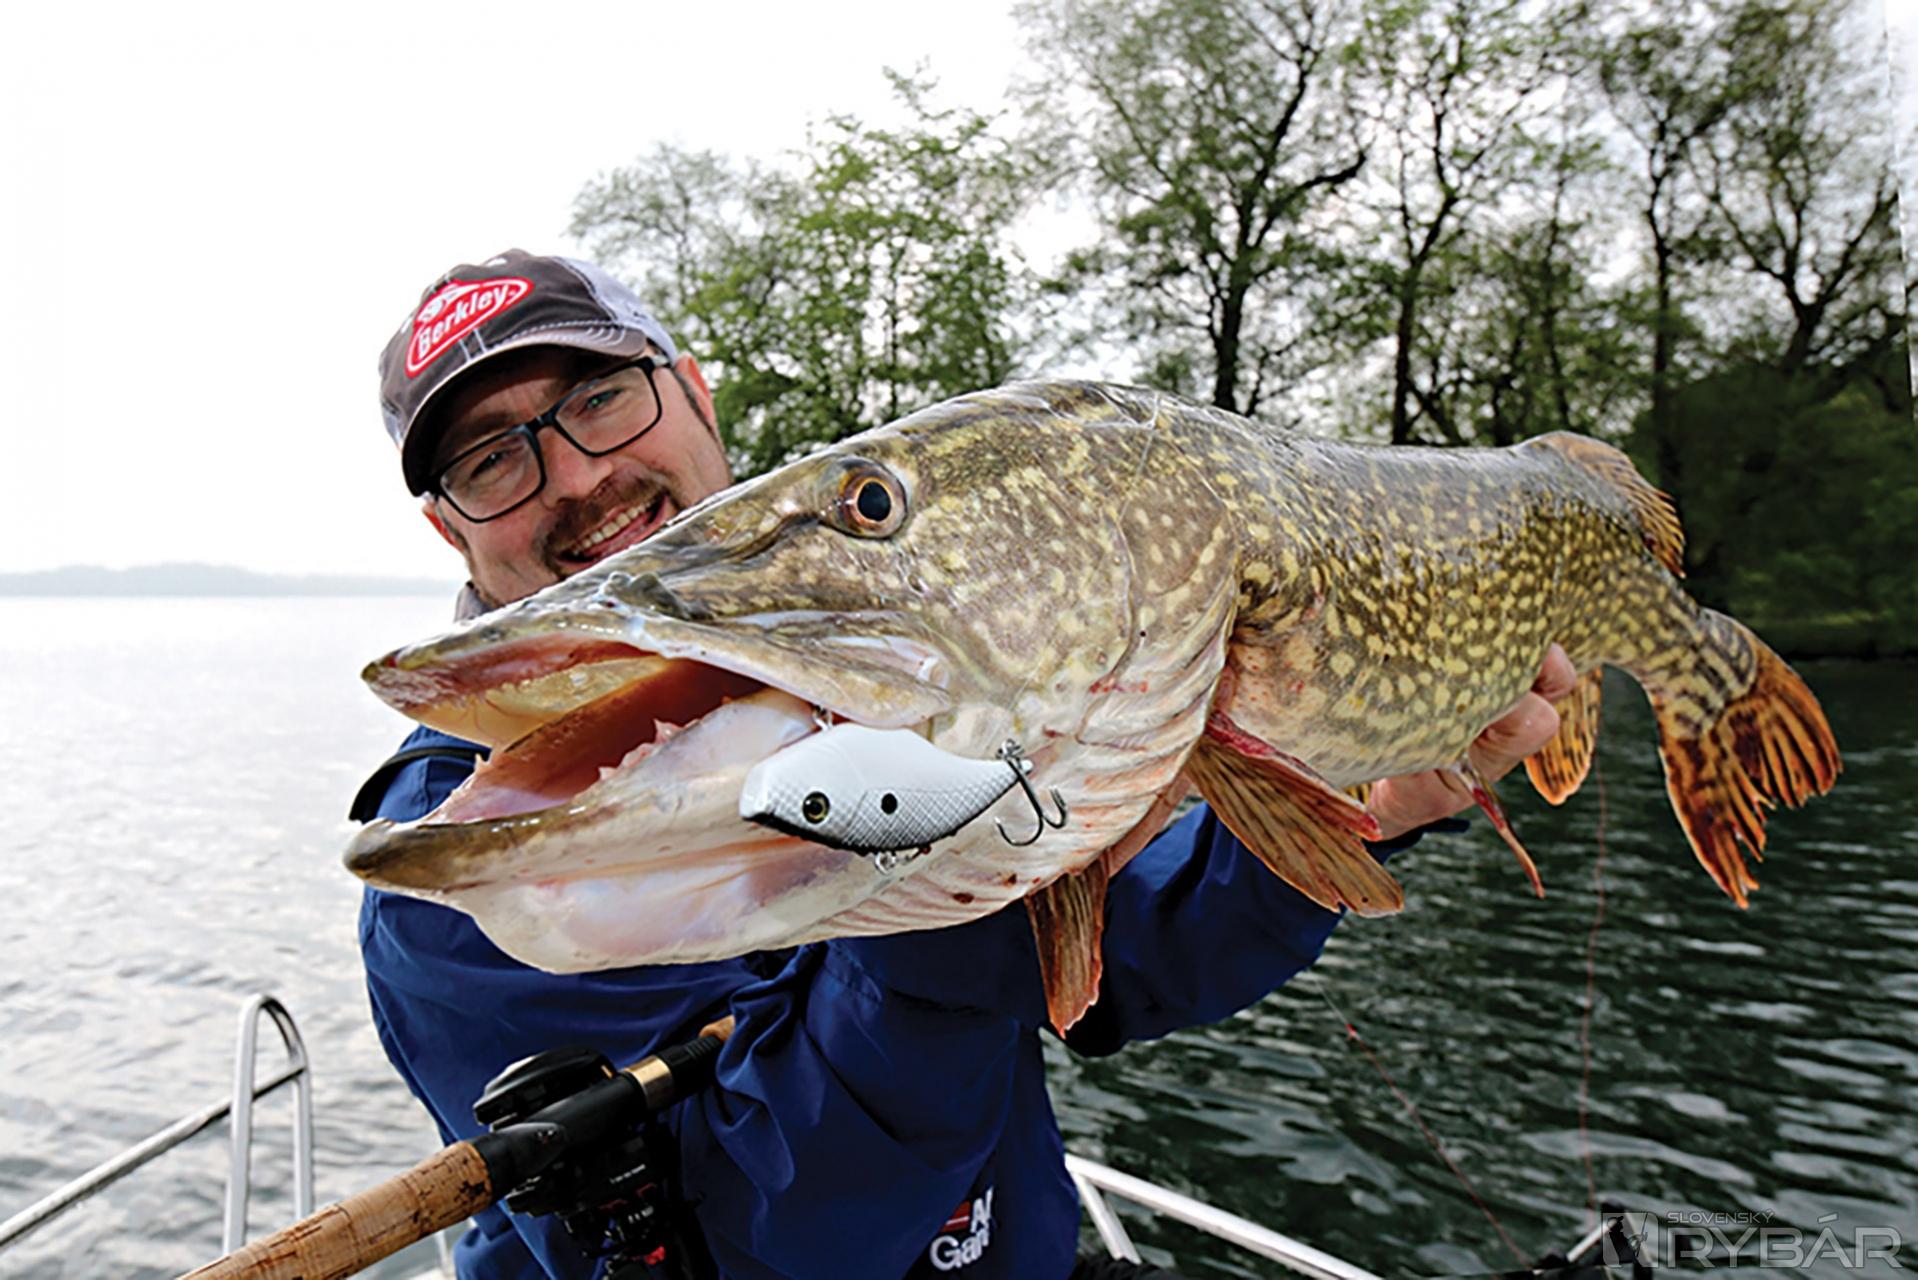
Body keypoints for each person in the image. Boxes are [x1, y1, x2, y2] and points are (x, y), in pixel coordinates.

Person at [355, 249, 1572, 1280]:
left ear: (692, 393)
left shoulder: (940, 666)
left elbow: (1117, 967)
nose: (575, 474)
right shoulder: (472, 865)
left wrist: (1363, 814)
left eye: (602, 396)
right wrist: (922, 914)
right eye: (490, 459)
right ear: (449, 526)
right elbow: (764, 1243)